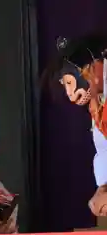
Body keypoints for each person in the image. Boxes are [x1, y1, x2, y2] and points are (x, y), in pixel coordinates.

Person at [45, 34, 107, 216]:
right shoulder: (98, 103)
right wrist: (103, 186)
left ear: (93, 66)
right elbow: (104, 148)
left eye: (71, 82)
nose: (73, 95)